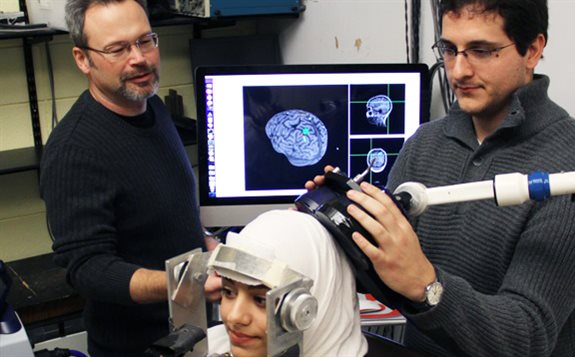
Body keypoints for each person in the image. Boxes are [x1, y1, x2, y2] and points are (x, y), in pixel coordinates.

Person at [307, 0, 575, 355]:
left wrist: (426, 283)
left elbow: (526, 339)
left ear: (532, 50)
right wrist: (335, 234)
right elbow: (392, 279)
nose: (458, 71)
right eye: (449, 49)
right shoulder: (426, 144)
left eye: (481, 51)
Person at [39, 0, 219, 355]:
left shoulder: (149, 103)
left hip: (192, 329)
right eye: (117, 49)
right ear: (82, 59)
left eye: (145, 40)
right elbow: (89, 269)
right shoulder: (74, 150)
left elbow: (162, 207)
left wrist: (207, 242)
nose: (139, 58)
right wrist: (185, 282)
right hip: (140, 347)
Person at [207, 209, 368, 356]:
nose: (234, 317)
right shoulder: (213, 345)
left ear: (306, 308)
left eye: (261, 300)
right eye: (228, 292)